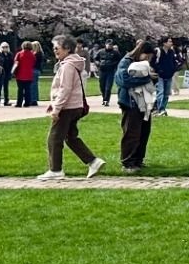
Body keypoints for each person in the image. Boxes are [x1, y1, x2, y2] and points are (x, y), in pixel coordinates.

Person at [40, 34, 104, 181]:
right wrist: (54, 103)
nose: (55, 51)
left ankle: (55, 170)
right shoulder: (71, 64)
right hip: (74, 106)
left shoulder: (68, 65)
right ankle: (93, 161)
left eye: (57, 48)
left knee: (54, 138)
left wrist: (57, 108)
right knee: (70, 137)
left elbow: (65, 88)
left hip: (68, 108)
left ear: (67, 49)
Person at [116, 40, 158, 173]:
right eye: (147, 56)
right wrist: (147, 78)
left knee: (144, 132)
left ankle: (138, 159)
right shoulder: (126, 62)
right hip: (130, 102)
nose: (148, 60)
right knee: (131, 133)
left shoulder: (143, 65)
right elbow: (124, 80)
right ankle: (128, 161)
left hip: (144, 102)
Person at [154, 38, 181, 114]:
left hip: (169, 75)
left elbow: (174, 61)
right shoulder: (158, 51)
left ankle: (163, 108)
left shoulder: (171, 52)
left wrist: (174, 68)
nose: (171, 43)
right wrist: (158, 70)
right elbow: (153, 62)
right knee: (160, 92)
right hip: (160, 75)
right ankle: (159, 108)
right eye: (169, 42)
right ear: (164, 43)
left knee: (166, 93)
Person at [93, 40, 122, 107]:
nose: (109, 46)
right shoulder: (101, 51)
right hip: (102, 70)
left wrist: (113, 65)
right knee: (102, 86)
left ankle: (106, 100)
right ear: (105, 45)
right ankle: (104, 98)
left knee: (108, 87)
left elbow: (119, 60)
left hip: (110, 71)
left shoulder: (115, 53)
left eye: (111, 45)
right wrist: (98, 64)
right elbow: (95, 59)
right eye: (108, 44)